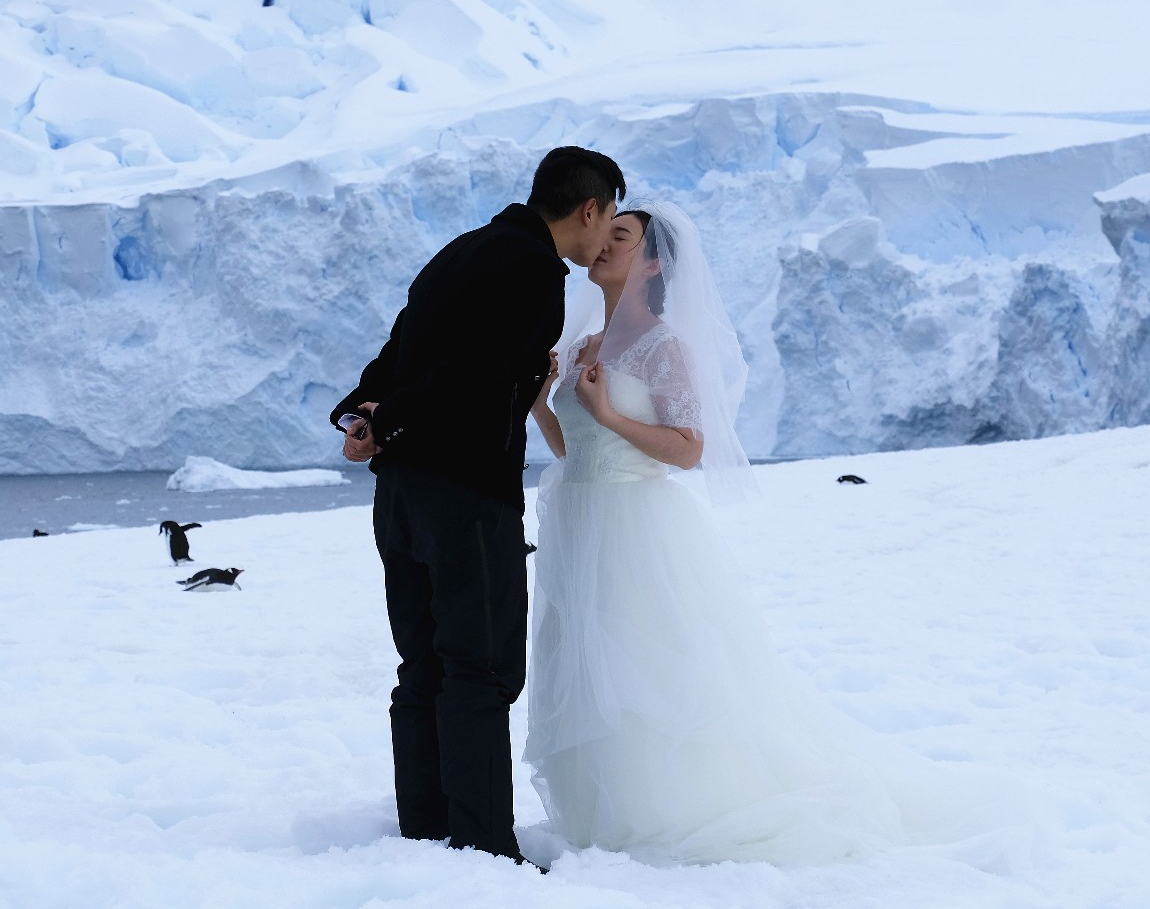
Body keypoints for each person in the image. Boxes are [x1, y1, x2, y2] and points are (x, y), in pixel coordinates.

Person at [525, 201, 957, 865]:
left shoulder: (662, 346)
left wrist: (607, 411)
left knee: (641, 669)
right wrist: (540, 401)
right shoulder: (584, 345)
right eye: (604, 234)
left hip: (634, 528)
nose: (604, 246)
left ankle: (658, 807)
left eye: (622, 238)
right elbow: (573, 448)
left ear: (654, 265)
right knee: (584, 667)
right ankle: (599, 812)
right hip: (579, 525)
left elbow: (689, 447)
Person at [331, 146, 624, 862]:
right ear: (589, 208)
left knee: (423, 661)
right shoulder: (533, 270)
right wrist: (392, 417)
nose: (607, 230)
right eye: (610, 214)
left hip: (400, 494)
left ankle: (426, 829)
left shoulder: (459, 251)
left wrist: (370, 416)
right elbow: (470, 380)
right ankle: (485, 847)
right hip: (464, 494)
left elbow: (399, 351)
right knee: (482, 667)